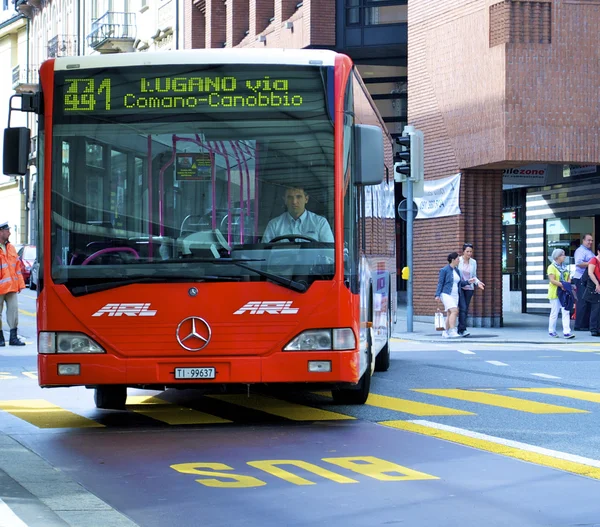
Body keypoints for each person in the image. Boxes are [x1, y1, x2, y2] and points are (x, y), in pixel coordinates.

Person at [262, 186, 334, 243]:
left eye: (298, 197)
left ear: (306, 199)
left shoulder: (320, 223)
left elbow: (329, 253)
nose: (294, 201)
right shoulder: (274, 225)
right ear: (285, 200)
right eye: (290, 197)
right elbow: (265, 254)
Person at [435, 252, 475, 339]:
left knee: (450, 313)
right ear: (453, 260)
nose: (459, 261)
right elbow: (440, 283)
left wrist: (468, 282)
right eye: (458, 259)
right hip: (446, 294)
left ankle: (445, 332)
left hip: (455, 295)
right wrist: (437, 295)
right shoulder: (444, 270)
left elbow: (460, 283)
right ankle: (452, 331)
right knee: (454, 311)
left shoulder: (457, 270)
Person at [0, 222, 25, 346]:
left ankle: (13, 338)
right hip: (0, 288)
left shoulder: (11, 248)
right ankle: (0, 338)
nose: (9, 232)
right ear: (1, 232)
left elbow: (17, 268)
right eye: (7, 230)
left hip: (11, 287)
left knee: (13, 311)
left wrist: (20, 284)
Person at [457, 243, 485, 337]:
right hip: (460, 288)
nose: (469, 253)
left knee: (464, 309)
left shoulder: (473, 262)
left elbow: (473, 276)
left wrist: (478, 283)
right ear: (463, 251)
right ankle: (462, 329)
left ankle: (460, 329)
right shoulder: (459, 260)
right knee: (463, 308)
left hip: (469, 288)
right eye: (467, 251)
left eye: (471, 252)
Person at [547, 248, 575, 339]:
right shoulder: (551, 267)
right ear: (557, 257)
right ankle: (552, 331)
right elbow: (552, 280)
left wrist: (567, 285)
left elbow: (569, 277)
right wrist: (562, 285)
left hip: (564, 292)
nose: (564, 256)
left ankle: (567, 332)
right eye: (563, 255)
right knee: (555, 312)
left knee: (566, 311)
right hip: (555, 292)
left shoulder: (565, 267)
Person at [572, 233, 594, 331]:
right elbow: (579, 263)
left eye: (591, 240)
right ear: (583, 241)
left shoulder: (589, 251)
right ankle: (579, 325)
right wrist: (592, 264)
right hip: (581, 279)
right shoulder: (580, 251)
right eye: (588, 240)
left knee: (588, 301)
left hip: (587, 279)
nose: (590, 242)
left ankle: (585, 324)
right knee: (582, 301)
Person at [584, 243, 600, 336]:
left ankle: (598, 328)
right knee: (595, 308)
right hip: (594, 286)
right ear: (598, 251)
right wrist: (597, 284)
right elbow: (590, 273)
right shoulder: (593, 260)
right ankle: (594, 328)